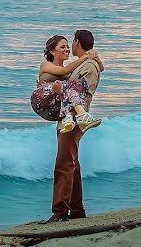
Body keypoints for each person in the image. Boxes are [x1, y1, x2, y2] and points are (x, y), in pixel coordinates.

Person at [41, 29, 104, 224]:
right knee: (72, 164)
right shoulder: (83, 64)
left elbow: (79, 91)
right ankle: (76, 210)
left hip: (76, 119)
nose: (69, 48)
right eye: (63, 46)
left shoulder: (88, 66)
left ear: (77, 42)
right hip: (69, 119)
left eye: (70, 44)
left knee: (63, 164)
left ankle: (60, 212)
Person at [30, 35, 102, 133]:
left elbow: (100, 69)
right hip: (41, 101)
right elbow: (64, 70)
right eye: (63, 47)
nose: (67, 49)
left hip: (55, 108)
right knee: (71, 84)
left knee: (76, 85)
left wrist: (94, 55)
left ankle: (69, 117)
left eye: (68, 46)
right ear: (52, 51)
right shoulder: (46, 65)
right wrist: (86, 55)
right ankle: (82, 114)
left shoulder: (69, 73)